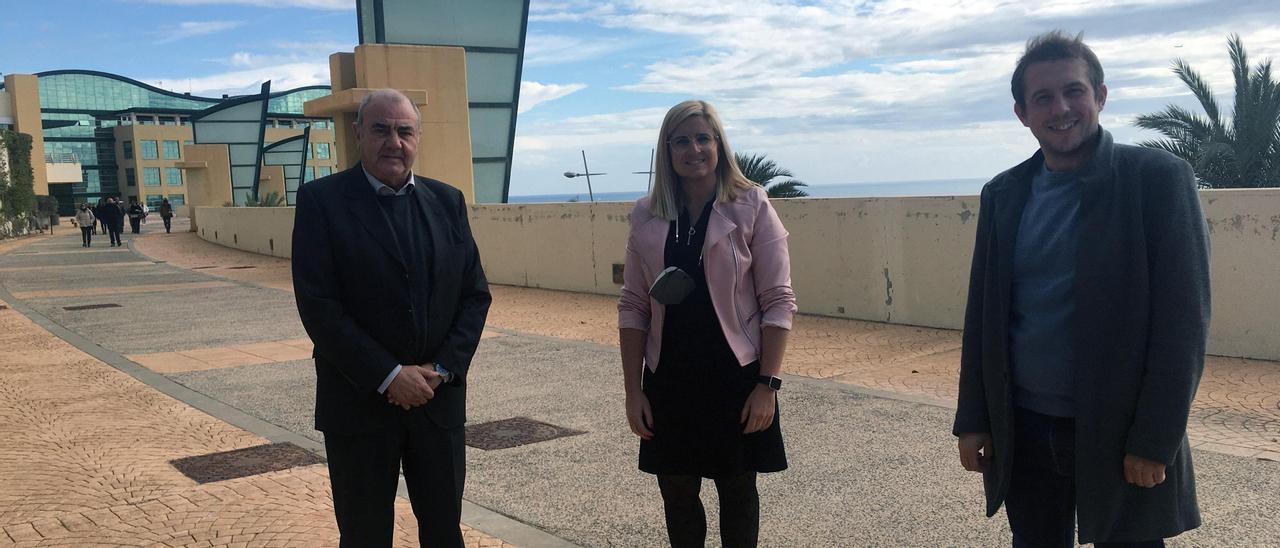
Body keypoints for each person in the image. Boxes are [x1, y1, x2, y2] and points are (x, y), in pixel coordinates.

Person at [953, 31, 1210, 547]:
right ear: (1023, 113)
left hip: (1118, 432)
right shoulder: (1004, 194)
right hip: (1023, 430)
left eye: (1074, 91)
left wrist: (1155, 441)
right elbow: (983, 314)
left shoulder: (1156, 180)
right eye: (1042, 98)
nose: (1061, 108)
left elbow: (1182, 323)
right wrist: (974, 418)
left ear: (1100, 96)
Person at [292, 89, 491, 548]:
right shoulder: (322, 201)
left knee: (444, 532)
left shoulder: (448, 202)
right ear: (359, 133)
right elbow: (319, 306)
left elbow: (474, 296)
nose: (393, 142)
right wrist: (387, 375)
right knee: (364, 536)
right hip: (358, 407)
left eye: (404, 131)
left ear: (417, 139)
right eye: (381, 129)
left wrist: (441, 370)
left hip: (436, 405)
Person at [618, 99, 796, 547]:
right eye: (681, 140)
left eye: (703, 138)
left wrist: (766, 385)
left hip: (735, 376)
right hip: (669, 376)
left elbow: (778, 301)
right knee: (677, 493)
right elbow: (634, 306)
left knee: (737, 491)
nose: (693, 149)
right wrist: (633, 390)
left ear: (719, 144)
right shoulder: (647, 215)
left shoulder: (750, 204)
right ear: (667, 150)